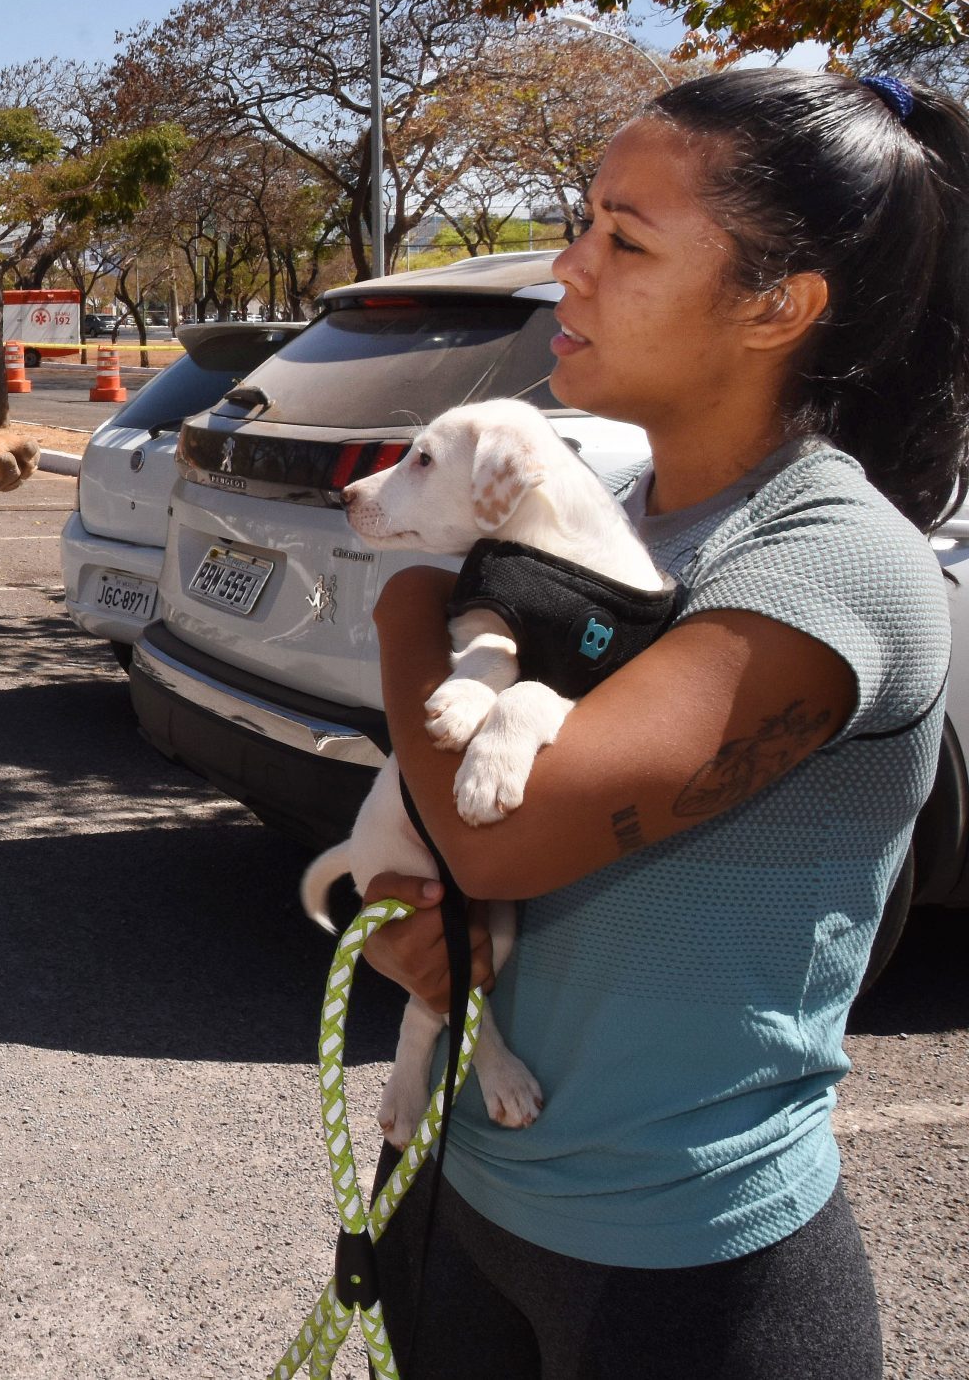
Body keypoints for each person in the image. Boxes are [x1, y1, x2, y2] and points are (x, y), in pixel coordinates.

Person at [359, 67, 969, 1379]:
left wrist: (410, 599)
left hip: (690, 1267)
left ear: (777, 306)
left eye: (623, 239)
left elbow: (504, 833)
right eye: (583, 219)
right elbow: (452, 823)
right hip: (465, 1190)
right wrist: (429, 929)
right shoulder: (616, 501)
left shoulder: (832, 557)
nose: (567, 267)